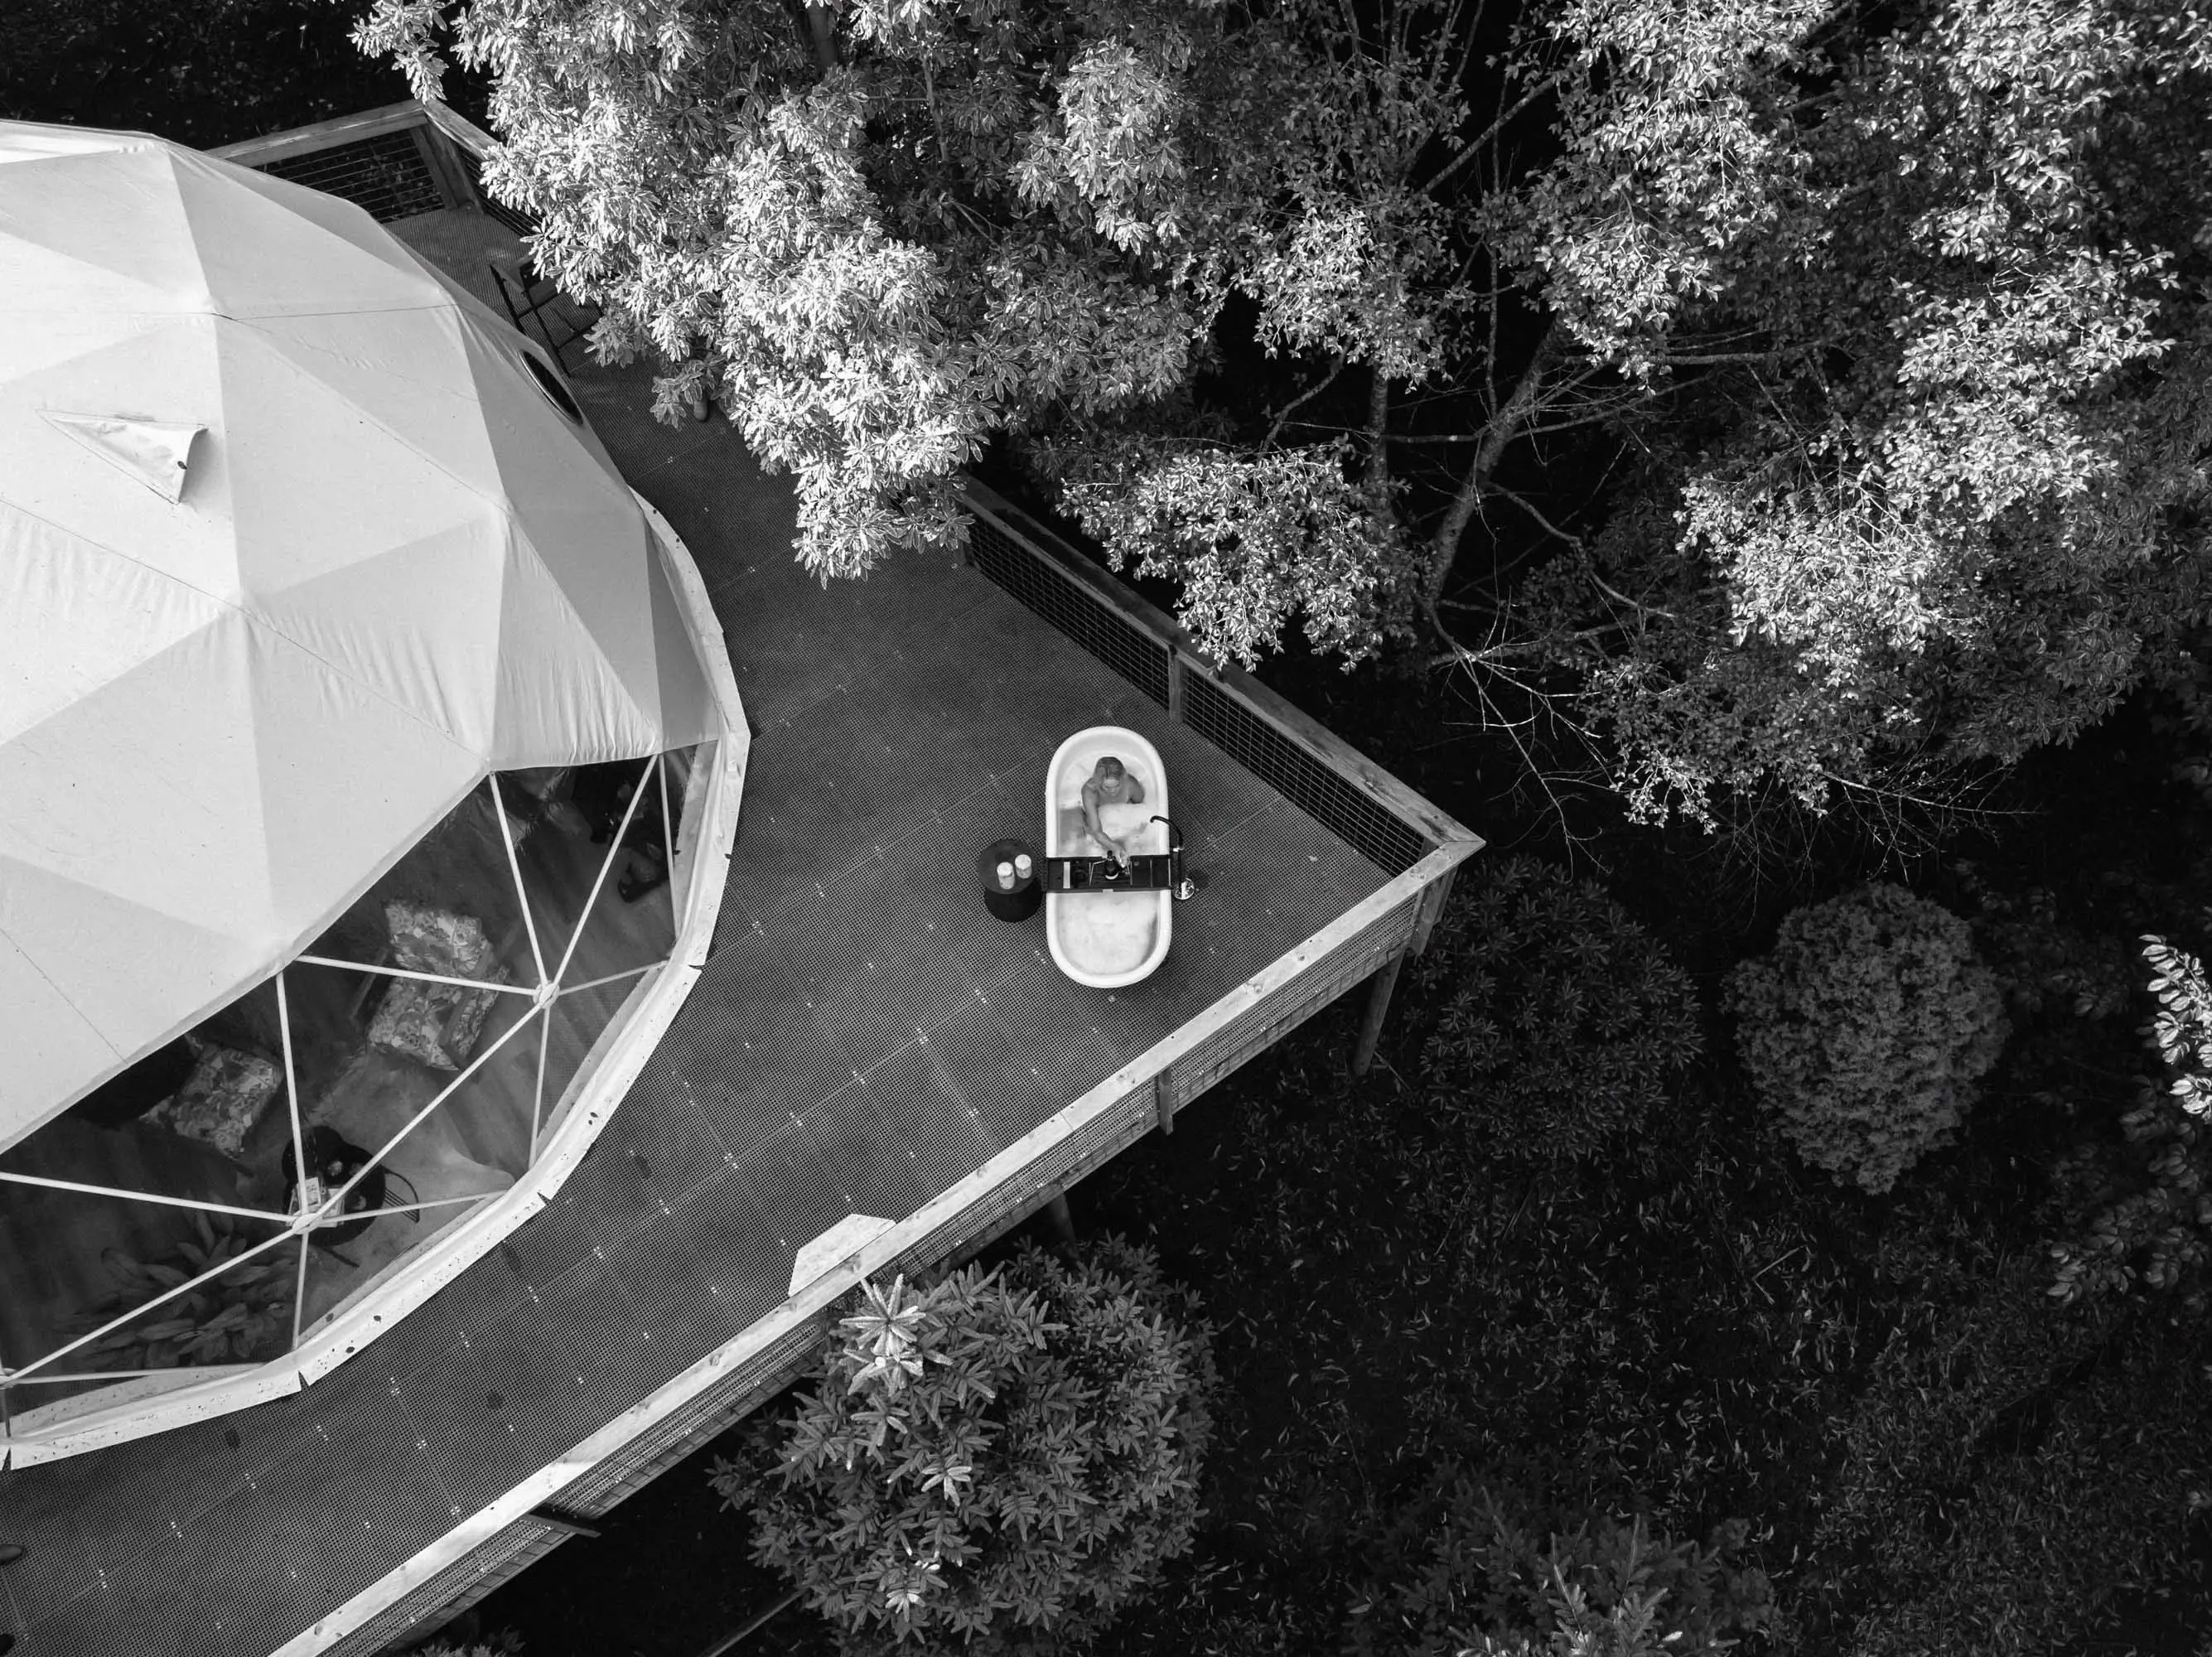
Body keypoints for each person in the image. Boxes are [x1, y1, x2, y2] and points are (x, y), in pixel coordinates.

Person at [1079, 756, 1147, 866]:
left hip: (1124, 819)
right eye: (1107, 787)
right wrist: (1114, 847)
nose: (1113, 791)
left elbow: (1140, 806)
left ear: (1122, 780)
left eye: (1117, 786)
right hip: (1100, 822)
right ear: (1098, 782)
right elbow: (1096, 830)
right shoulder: (1090, 791)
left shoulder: (1131, 785)